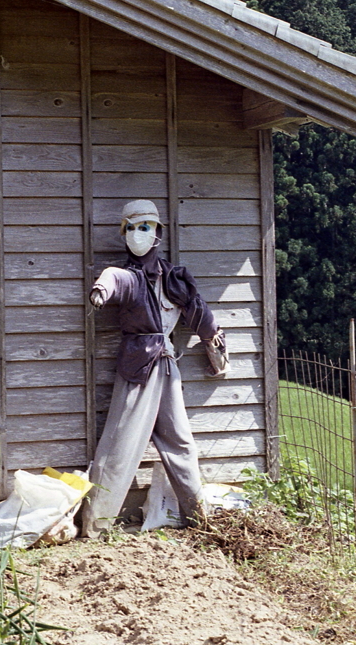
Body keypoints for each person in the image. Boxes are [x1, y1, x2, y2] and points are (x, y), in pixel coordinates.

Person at [81, 200, 229, 538]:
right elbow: (113, 280)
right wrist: (100, 291)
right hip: (137, 368)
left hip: (167, 368)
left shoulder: (175, 279)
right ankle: (97, 525)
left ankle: (198, 517)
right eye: (130, 229)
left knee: (181, 443)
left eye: (144, 227)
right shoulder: (128, 278)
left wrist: (216, 349)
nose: (137, 235)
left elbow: (201, 316)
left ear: (157, 233)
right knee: (121, 444)